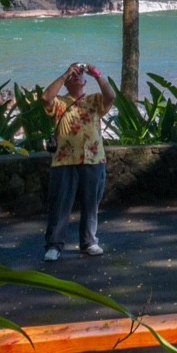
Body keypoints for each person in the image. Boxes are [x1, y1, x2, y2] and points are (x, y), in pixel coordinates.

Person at [41, 62, 115, 262]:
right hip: (64, 160)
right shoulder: (59, 102)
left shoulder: (94, 100)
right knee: (59, 205)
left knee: (91, 204)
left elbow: (111, 97)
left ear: (84, 82)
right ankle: (54, 245)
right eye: (72, 76)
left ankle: (89, 242)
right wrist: (65, 74)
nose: (76, 76)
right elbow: (46, 97)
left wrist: (96, 74)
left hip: (93, 159)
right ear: (66, 83)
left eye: (78, 75)